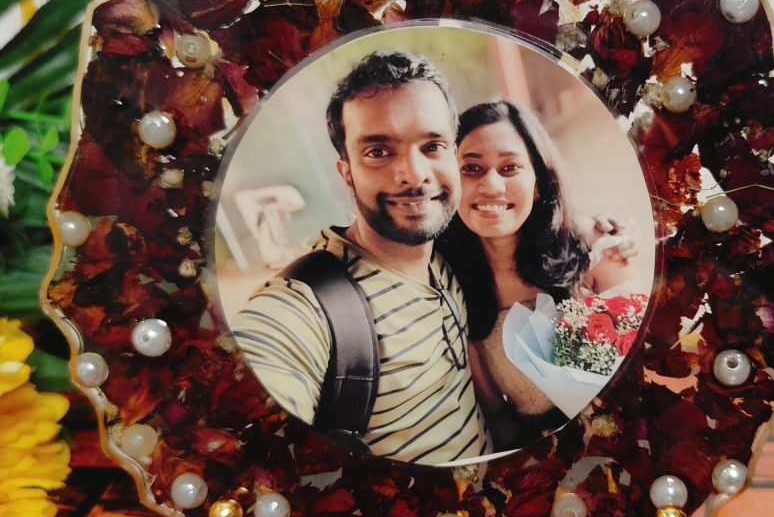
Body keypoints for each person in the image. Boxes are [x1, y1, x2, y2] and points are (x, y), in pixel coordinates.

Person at [233, 51, 488, 467]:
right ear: (346, 172)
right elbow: (267, 351)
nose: (413, 174)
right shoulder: (311, 306)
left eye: (433, 145)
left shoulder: (448, 246)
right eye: (378, 152)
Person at [438, 100, 638, 451]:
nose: (491, 186)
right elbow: (497, 417)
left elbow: (643, 365)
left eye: (510, 167)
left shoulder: (597, 249)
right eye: (471, 168)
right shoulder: (451, 282)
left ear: (539, 183)